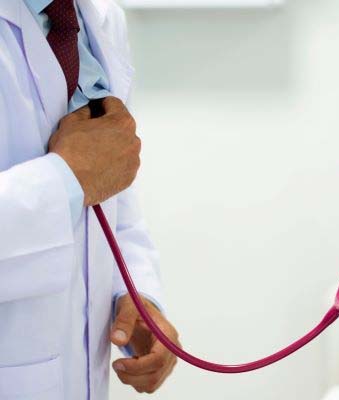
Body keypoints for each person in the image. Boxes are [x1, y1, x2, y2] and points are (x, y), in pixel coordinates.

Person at [0, 0, 180, 398]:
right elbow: (82, 175)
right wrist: (64, 180)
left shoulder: (97, 17)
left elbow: (109, 184)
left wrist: (135, 295)